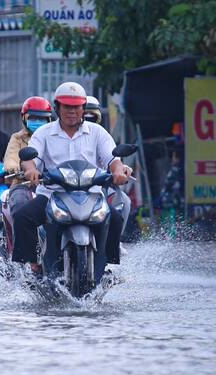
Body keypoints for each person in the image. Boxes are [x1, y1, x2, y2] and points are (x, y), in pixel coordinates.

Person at [12, 82, 133, 275]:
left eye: (76, 106)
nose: (72, 111)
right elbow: (29, 161)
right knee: (22, 217)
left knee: (116, 218)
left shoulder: (97, 132)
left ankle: (107, 263)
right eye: (67, 106)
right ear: (57, 107)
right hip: (52, 194)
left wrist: (118, 171)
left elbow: (113, 160)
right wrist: (30, 171)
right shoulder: (44, 133)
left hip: (92, 195)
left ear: (83, 108)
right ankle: (34, 264)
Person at [3, 96, 53, 176]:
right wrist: (13, 168)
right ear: (24, 118)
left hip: (52, 184)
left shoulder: (53, 137)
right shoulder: (18, 138)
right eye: (33, 118)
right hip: (23, 183)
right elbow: (11, 156)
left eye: (42, 119)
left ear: (49, 120)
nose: (37, 122)